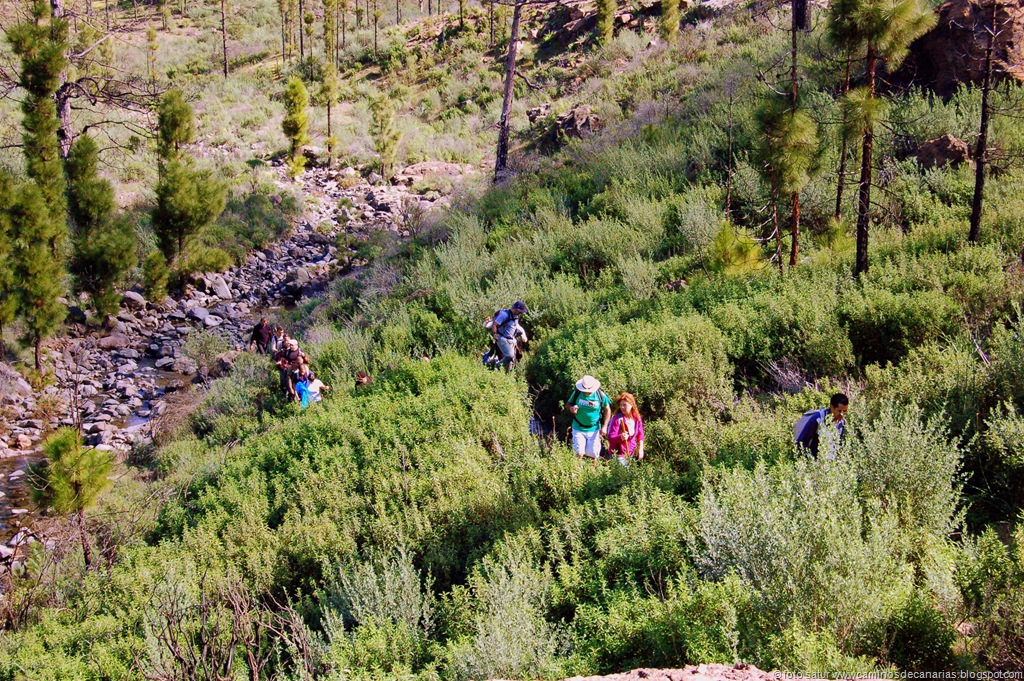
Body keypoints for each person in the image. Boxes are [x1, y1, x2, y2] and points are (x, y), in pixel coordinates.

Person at [566, 375, 612, 464]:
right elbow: (568, 403)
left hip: (594, 429)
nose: (587, 392)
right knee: (579, 454)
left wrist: (605, 426)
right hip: (578, 427)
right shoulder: (577, 393)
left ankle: (592, 473)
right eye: (585, 390)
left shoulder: (601, 395)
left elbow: (607, 410)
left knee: (593, 455)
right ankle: (577, 473)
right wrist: (571, 408)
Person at [794, 393, 849, 459]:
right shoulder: (818, 419)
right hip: (816, 463)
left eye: (845, 411)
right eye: (839, 411)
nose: (842, 414)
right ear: (832, 407)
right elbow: (802, 441)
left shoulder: (844, 422)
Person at [484, 301, 528, 371]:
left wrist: (523, 335)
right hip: (503, 339)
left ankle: (507, 374)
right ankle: (496, 366)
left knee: (513, 359)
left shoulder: (515, 317)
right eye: (519, 311)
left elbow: (517, 326)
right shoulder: (504, 315)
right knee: (509, 356)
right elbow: (493, 325)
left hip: (511, 340)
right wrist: (495, 334)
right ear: (515, 309)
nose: (520, 313)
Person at [607, 392, 645, 466]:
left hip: (630, 453)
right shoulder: (617, 419)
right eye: (621, 405)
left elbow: (640, 435)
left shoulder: (637, 418)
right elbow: (610, 437)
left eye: (624, 405)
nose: (622, 407)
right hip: (618, 454)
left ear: (631, 405)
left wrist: (640, 449)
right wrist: (620, 437)